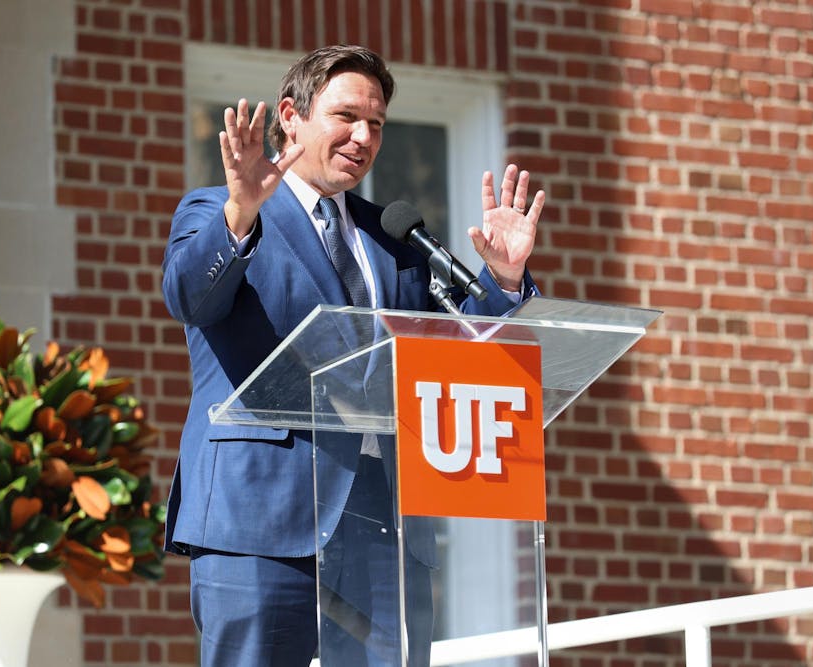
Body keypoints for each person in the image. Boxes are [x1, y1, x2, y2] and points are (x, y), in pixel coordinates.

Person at [161, 44, 545, 667]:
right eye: (346, 117)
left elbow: (459, 358)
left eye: (377, 124)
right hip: (261, 522)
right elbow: (189, 297)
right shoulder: (218, 209)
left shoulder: (394, 236)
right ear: (292, 115)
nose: (363, 137)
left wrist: (502, 283)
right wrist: (240, 212)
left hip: (380, 530)